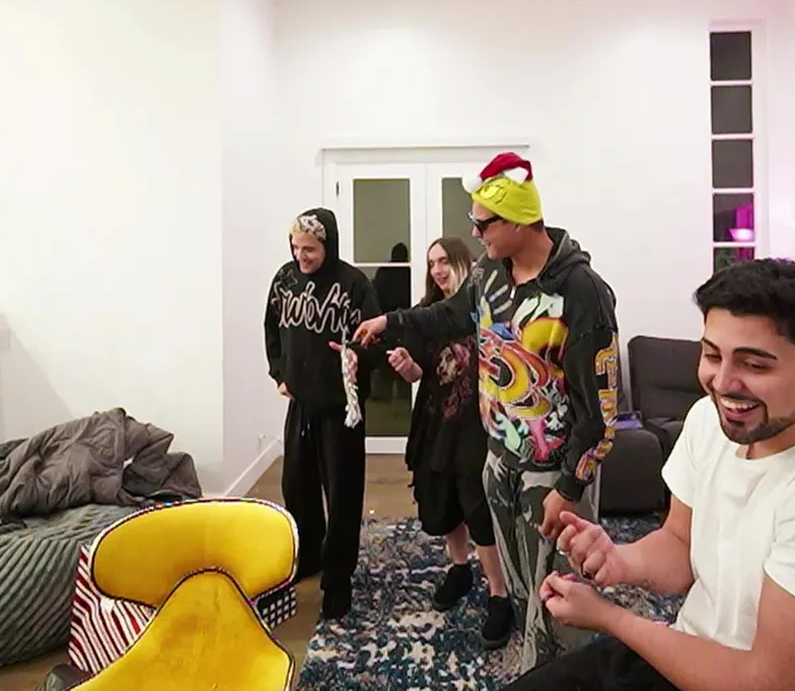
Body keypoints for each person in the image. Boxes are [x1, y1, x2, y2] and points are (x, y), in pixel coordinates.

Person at [505, 259, 795, 691]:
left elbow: (773, 684)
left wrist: (610, 618)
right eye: (712, 355)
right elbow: (680, 542)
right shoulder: (710, 421)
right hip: (695, 653)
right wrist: (620, 560)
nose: (722, 383)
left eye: (754, 365)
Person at [351, 152, 621, 673]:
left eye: (483, 223)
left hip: (553, 473)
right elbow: (448, 315)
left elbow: (601, 410)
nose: (474, 234)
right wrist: (389, 321)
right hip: (499, 460)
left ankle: (562, 676)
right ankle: (531, 663)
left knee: (561, 594)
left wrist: (569, 486)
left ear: (517, 220)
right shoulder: (488, 275)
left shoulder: (581, 291)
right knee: (520, 587)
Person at [387, 236, 515, 649]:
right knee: (442, 502)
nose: (437, 270)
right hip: (435, 423)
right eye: (431, 264)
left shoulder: (484, 308)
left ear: (463, 262)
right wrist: (407, 365)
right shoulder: (426, 314)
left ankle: (499, 593)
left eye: (444, 261)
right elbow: (418, 374)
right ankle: (459, 569)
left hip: (476, 427)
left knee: (478, 507)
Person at [264, 207, 381, 620]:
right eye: (296, 248)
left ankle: (338, 578)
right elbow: (272, 328)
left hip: (341, 410)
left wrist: (358, 357)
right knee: (296, 487)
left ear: (327, 246)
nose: (302, 256)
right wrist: (279, 373)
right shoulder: (284, 280)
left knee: (343, 495)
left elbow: (375, 340)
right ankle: (310, 555)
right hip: (301, 404)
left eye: (310, 249)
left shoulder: (354, 285)